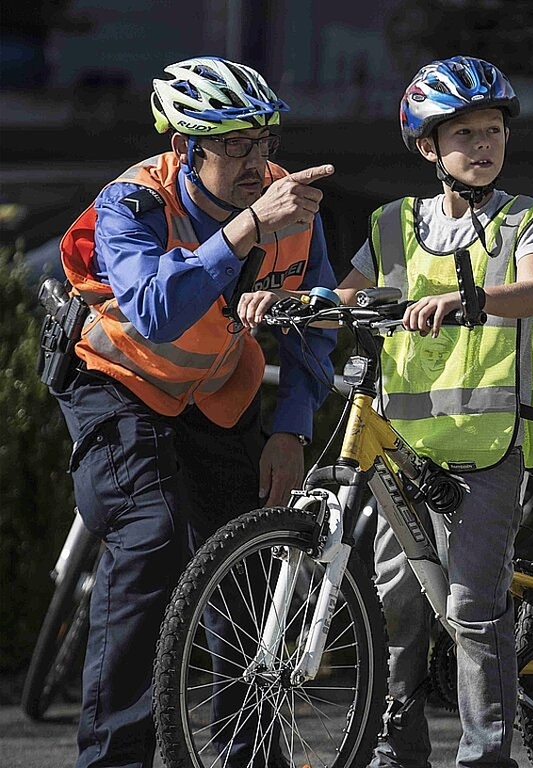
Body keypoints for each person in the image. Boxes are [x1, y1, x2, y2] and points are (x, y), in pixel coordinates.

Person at [238, 55, 533, 768]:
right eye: (465, 134)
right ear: (427, 148)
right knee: (398, 602)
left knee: (473, 611)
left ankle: (485, 757)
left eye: (493, 131)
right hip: (404, 446)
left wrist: (468, 299)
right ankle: (397, 749)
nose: (484, 145)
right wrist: (287, 304)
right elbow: (345, 299)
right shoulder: (392, 226)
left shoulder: (530, 222)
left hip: (487, 442)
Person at [47, 56, 337, 768]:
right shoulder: (133, 204)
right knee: (152, 538)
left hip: (214, 391)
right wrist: (242, 230)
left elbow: (315, 318)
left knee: (252, 557)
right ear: (185, 147)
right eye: (234, 143)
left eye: (264, 140)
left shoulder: (289, 205)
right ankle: (115, 759)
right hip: (116, 382)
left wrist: (292, 429)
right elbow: (153, 314)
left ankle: (249, 756)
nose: (257, 161)